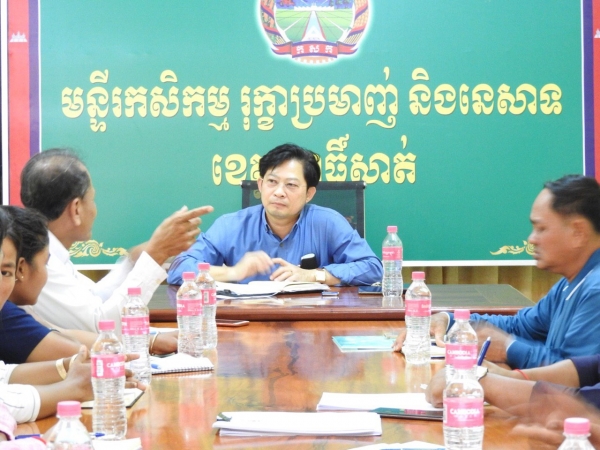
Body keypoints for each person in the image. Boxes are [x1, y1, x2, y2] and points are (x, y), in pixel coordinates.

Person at [394, 174, 600, 369]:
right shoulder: (569, 284)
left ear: (578, 232)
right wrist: (450, 321)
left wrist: (508, 348)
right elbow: (520, 326)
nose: (531, 239)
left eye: (541, 229)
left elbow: (577, 374)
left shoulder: (596, 289)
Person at [19, 148, 213, 332]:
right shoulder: (40, 263)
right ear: (76, 209)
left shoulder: (51, 253)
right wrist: (156, 255)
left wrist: (133, 261)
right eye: (92, 200)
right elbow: (102, 328)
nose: (94, 210)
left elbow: (95, 299)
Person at [167, 143, 382, 286]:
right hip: (248, 327)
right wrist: (233, 273)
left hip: (312, 324)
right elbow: (178, 270)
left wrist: (315, 275)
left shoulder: (328, 223)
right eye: (272, 182)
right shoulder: (230, 226)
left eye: (291, 185)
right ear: (260, 185)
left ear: (309, 194)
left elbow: (372, 268)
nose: (279, 192)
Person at [0, 206, 178, 364]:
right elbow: (76, 349)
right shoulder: (6, 314)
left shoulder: (16, 309)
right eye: (45, 264)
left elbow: (61, 333)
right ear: (21, 268)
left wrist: (149, 341)